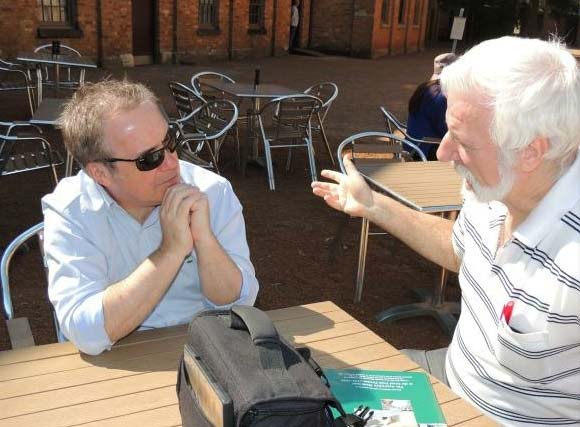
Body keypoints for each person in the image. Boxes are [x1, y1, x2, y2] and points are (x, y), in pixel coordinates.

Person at [312, 36, 579, 427]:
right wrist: (375, 206)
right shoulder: (491, 190)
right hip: (448, 377)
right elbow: (460, 250)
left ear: (531, 151)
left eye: (463, 140)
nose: (442, 152)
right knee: (306, 397)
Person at [42, 79, 259, 355]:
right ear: (101, 174)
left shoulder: (210, 191)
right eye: (149, 159)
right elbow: (86, 333)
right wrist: (170, 252)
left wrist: (204, 240)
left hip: (207, 348)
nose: (171, 162)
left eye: (170, 141)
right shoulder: (72, 210)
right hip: (120, 358)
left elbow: (239, 303)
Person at [406, 53, 457, 160]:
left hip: (412, 144)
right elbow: (445, 129)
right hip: (426, 150)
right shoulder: (442, 95)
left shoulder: (425, 87)